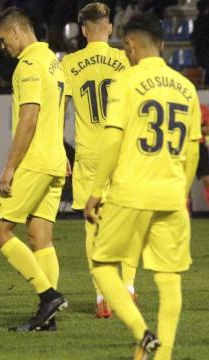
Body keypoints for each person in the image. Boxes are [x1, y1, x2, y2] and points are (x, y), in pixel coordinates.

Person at [85, 13, 200, 360]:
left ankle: (142, 333)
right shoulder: (188, 87)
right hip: (171, 194)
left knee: (103, 265)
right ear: (163, 45)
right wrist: (182, 192)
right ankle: (162, 355)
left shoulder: (127, 82)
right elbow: (193, 148)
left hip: (131, 191)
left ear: (130, 46)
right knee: (169, 281)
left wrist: (95, 189)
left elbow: (112, 140)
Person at [0, 7, 68, 332]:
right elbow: (56, 112)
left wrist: (9, 167)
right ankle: (48, 316)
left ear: (17, 32)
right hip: (55, 159)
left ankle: (48, 296)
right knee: (40, 236)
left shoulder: (29, 65)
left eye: (4, 40)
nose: (4, 47)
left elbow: (30, 118)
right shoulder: (53, 61)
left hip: (34, 161)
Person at [60, 2, 135, 319]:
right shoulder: (125, 60)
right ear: (110, 28)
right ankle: (128, 290)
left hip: (89, 153)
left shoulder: (69, 63)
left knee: (93, 228)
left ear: (82, 30)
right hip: (120, 151)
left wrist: (58, 151)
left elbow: (57, 111)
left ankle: (102, 296)